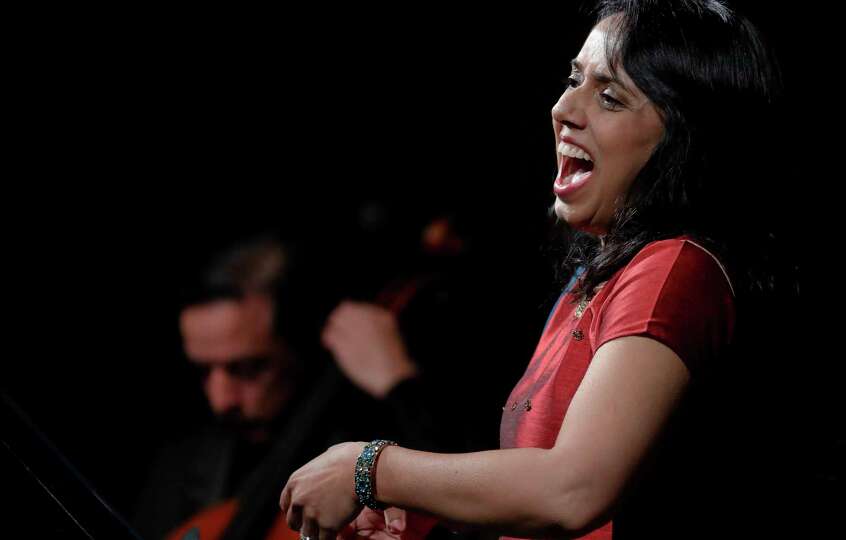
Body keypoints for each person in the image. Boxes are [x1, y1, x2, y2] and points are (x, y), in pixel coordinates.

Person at [280, 1, 796, 538]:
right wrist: (425, 517)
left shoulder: (675, 268)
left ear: (685, 138)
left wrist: (369, 468)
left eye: (610, 97)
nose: (564, 109)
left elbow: (572, 491)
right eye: (574, 81)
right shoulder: (597, 279)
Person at [134, 235, 383, 540]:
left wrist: (400, 388)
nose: (221, 400)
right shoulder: (179, 465)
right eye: (204, 371)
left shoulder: (375, 438)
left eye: (248, 369)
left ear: (299, 347)